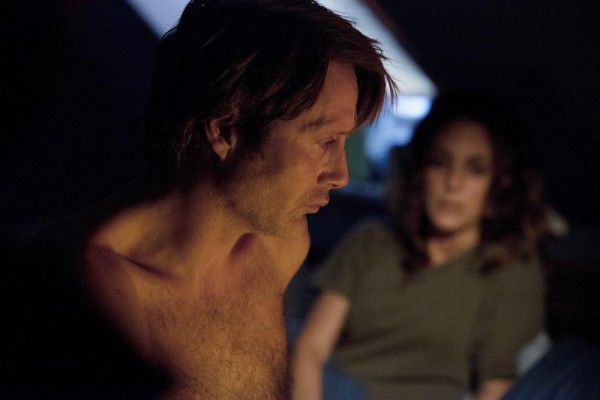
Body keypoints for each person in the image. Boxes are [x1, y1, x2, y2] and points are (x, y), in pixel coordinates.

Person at [1, 1, 395, 399]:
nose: (341, 175)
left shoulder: (280, 245)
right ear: (223, 132)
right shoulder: (91, 285)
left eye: (345, 141)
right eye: (325, 140)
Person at [291, 92, 548, 400]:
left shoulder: (507, 266)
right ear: (420, 171)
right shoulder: (372, 242)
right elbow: (310, 349)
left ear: (498, 185)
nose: (453, 183)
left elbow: (496, 383)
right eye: (440, 163)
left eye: (475, 169)